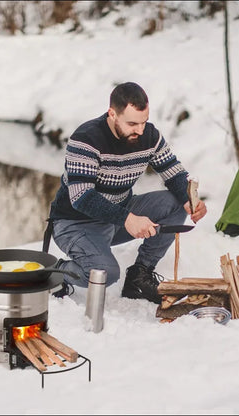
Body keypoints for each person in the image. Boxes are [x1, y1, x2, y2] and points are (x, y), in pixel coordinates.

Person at [48, 82, 207, 304]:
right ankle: (55, 270)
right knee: (104, 273)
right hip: (75, 223)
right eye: (132, 123)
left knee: (173, 202)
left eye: (143, 122)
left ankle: (139, 275)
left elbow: (174, 173)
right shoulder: (86, 139)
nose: (140, 130)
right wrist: (128, 219)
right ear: (112, 114)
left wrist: (190, 199)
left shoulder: (149, 136)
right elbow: (82, 197)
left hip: (117, 214)